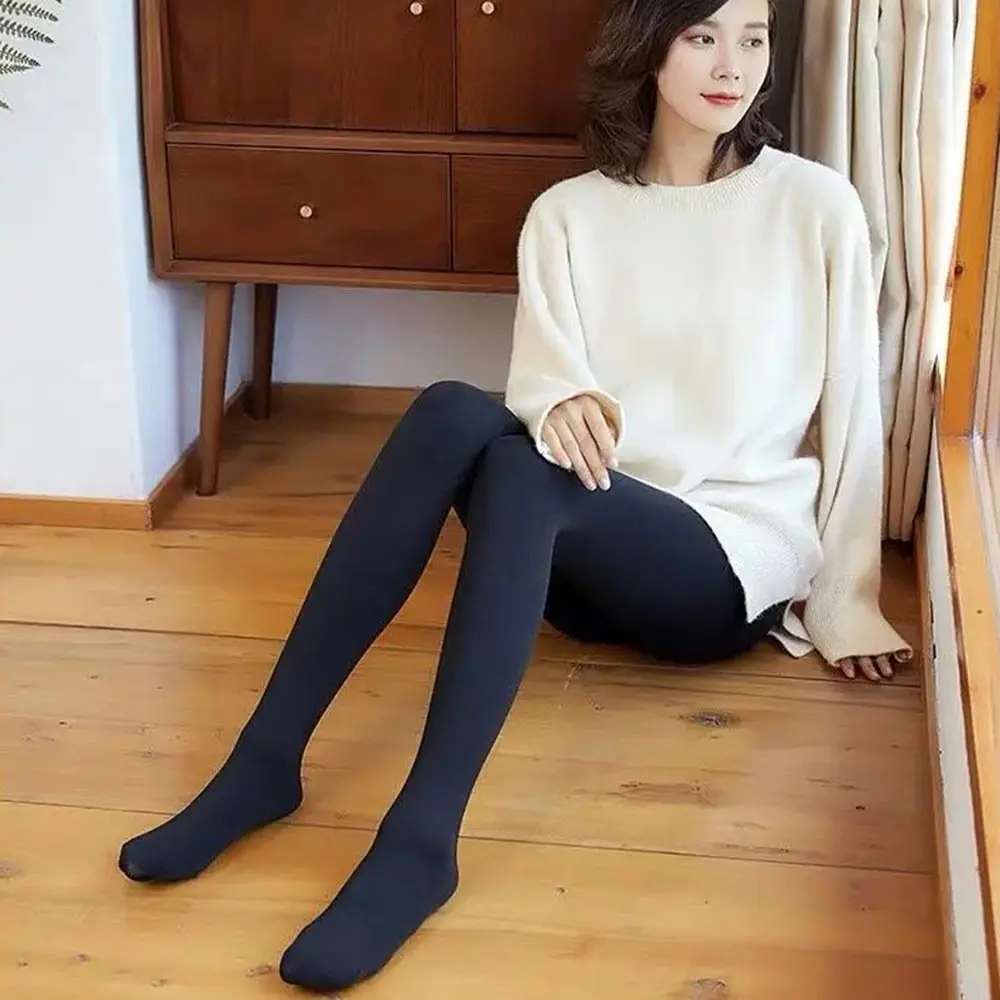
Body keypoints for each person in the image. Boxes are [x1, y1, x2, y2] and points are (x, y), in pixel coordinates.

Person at [117, 0, 913, 991]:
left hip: (721, 559)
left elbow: (854, 408)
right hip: (581, 551)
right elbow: (544, 383)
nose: (732, 66)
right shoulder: (569, 215)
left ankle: (420, 840)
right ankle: (264, 762)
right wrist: (563, 399)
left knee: (510, 463)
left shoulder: (814, 205)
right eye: (702, 36)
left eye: (752, 38)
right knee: (454, 413)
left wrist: (847, 598)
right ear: (648, 48)